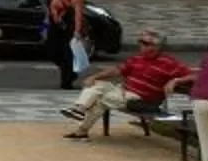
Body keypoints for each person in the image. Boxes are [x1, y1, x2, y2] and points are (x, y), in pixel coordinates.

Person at [65, 31, 195, 139]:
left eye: (145, 43)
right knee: (96, 85)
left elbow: (194, 75)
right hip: (123, 92)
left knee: (100, 99)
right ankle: (80, 109)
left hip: (141, 99)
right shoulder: (137, 59)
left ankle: (81, 128)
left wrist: (176, 81)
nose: (140, 45)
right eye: (140, 42)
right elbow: (117, 70)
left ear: (156, 46)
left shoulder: (169, 63)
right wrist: (94, 77)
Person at [42, 0, 85, 91]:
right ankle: (70, 73)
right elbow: (48, 9)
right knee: (51, 51)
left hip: (67, 26)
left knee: (66, 54)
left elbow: (78, 11)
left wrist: (77, 30)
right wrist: (43, 28)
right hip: (54, 25)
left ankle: (67, 80)